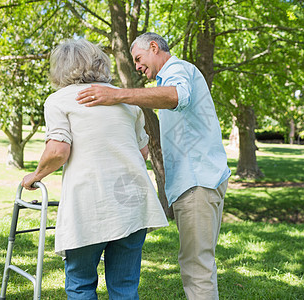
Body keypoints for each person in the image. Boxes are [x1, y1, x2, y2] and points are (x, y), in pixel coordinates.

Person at [76, 32, 231, 300]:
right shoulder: (174, 74)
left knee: (196, 267)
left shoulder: (177, 69)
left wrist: (116, 96)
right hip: (204, 179)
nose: (136, 66)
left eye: (138, 58)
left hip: (197, 182)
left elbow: (176, 96)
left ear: (154, 47)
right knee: (198, 262)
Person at [21, 38, 168, 300]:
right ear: (100, 63)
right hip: (132, 202)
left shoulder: (58, 101)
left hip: (90, 206)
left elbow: (58, 151)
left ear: (61, 69)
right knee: (124, 286)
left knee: (81, 284)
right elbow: (142, 152)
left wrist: (35, 176)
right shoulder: (126, 101)